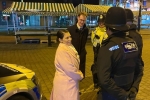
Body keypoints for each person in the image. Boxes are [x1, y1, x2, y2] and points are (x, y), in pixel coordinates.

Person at [96, 7, 143, 100]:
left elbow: (104, 79)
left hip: (111, 96)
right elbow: (140, 70)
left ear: (108, 28)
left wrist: (123, 95)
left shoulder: (107, 47)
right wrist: (134, 88)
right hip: (129, 93)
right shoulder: (132, 43)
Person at [50, 30, 83, 100]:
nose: (70, 39)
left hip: (69, 81)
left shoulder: (68, 46)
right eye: (67, 38)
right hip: (66, 84)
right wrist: (79, 75)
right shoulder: (62, 51)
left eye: (70, 37)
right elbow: (69, 69)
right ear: (60, 40)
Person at [67, 12, 89, 77]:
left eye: (84, 20)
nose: (82, 22)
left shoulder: (86, 30)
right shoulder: (71, 29)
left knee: (81, 72)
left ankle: (80, 82)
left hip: (82, 53)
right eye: (81, 20)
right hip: (73, 53)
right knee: (73, 70)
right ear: (78, 18)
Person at [91, 14, 108, 89]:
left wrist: (101, 40)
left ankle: (103, 82)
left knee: (104, 68)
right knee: (95, 68)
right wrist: (96, 41)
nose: (101, 24)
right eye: (100, 22)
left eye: (102, 22)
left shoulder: (107, 31)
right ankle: (96, 82)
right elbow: (92, 41)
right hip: (96, 52)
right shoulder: (95, 31)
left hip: (105, 53)